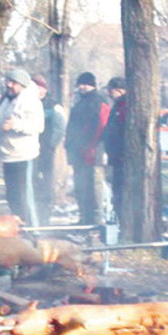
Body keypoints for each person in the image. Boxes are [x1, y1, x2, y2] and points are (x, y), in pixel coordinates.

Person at [0, 68, 43, 226]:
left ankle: (32, 229)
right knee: (12, 195)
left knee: (25, 196)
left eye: (13, 82)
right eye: (8, 81)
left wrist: (15, 125)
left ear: (22, 85)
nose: (9, 85)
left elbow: (38, 126)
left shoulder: (31, 101)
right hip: (7, 154)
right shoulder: (6, 99)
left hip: (24, 155)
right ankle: (17, 226)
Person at [65, 71, 109, 226]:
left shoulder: (99, 101)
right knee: (80, 185)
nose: (82, 87)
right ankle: (84, 217)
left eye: (85, 84)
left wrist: (91, 146)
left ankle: (96, 220)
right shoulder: (80, 102)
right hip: (78, 151)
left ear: (92, 85)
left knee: (93, 186)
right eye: (80, 84)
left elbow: (101, 126)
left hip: (93, 150)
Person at [31, 73, 66, 223]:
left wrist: (50, 145)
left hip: (46, 150)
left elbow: (59, 128)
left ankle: (44, 213)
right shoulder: (28, 103)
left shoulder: (53, 106)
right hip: (29, 149)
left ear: (44, 89)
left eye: (38, 88)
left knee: (45, 182)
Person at [101, 76, 128, 227]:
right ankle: (118, 221)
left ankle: (123, 223)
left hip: (121, 157)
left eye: (111, 91)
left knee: (120, 192)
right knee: (115, 190)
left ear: (119, 90)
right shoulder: (117, 106)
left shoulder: (125, 106)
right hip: (115, 156)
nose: (109, 94)